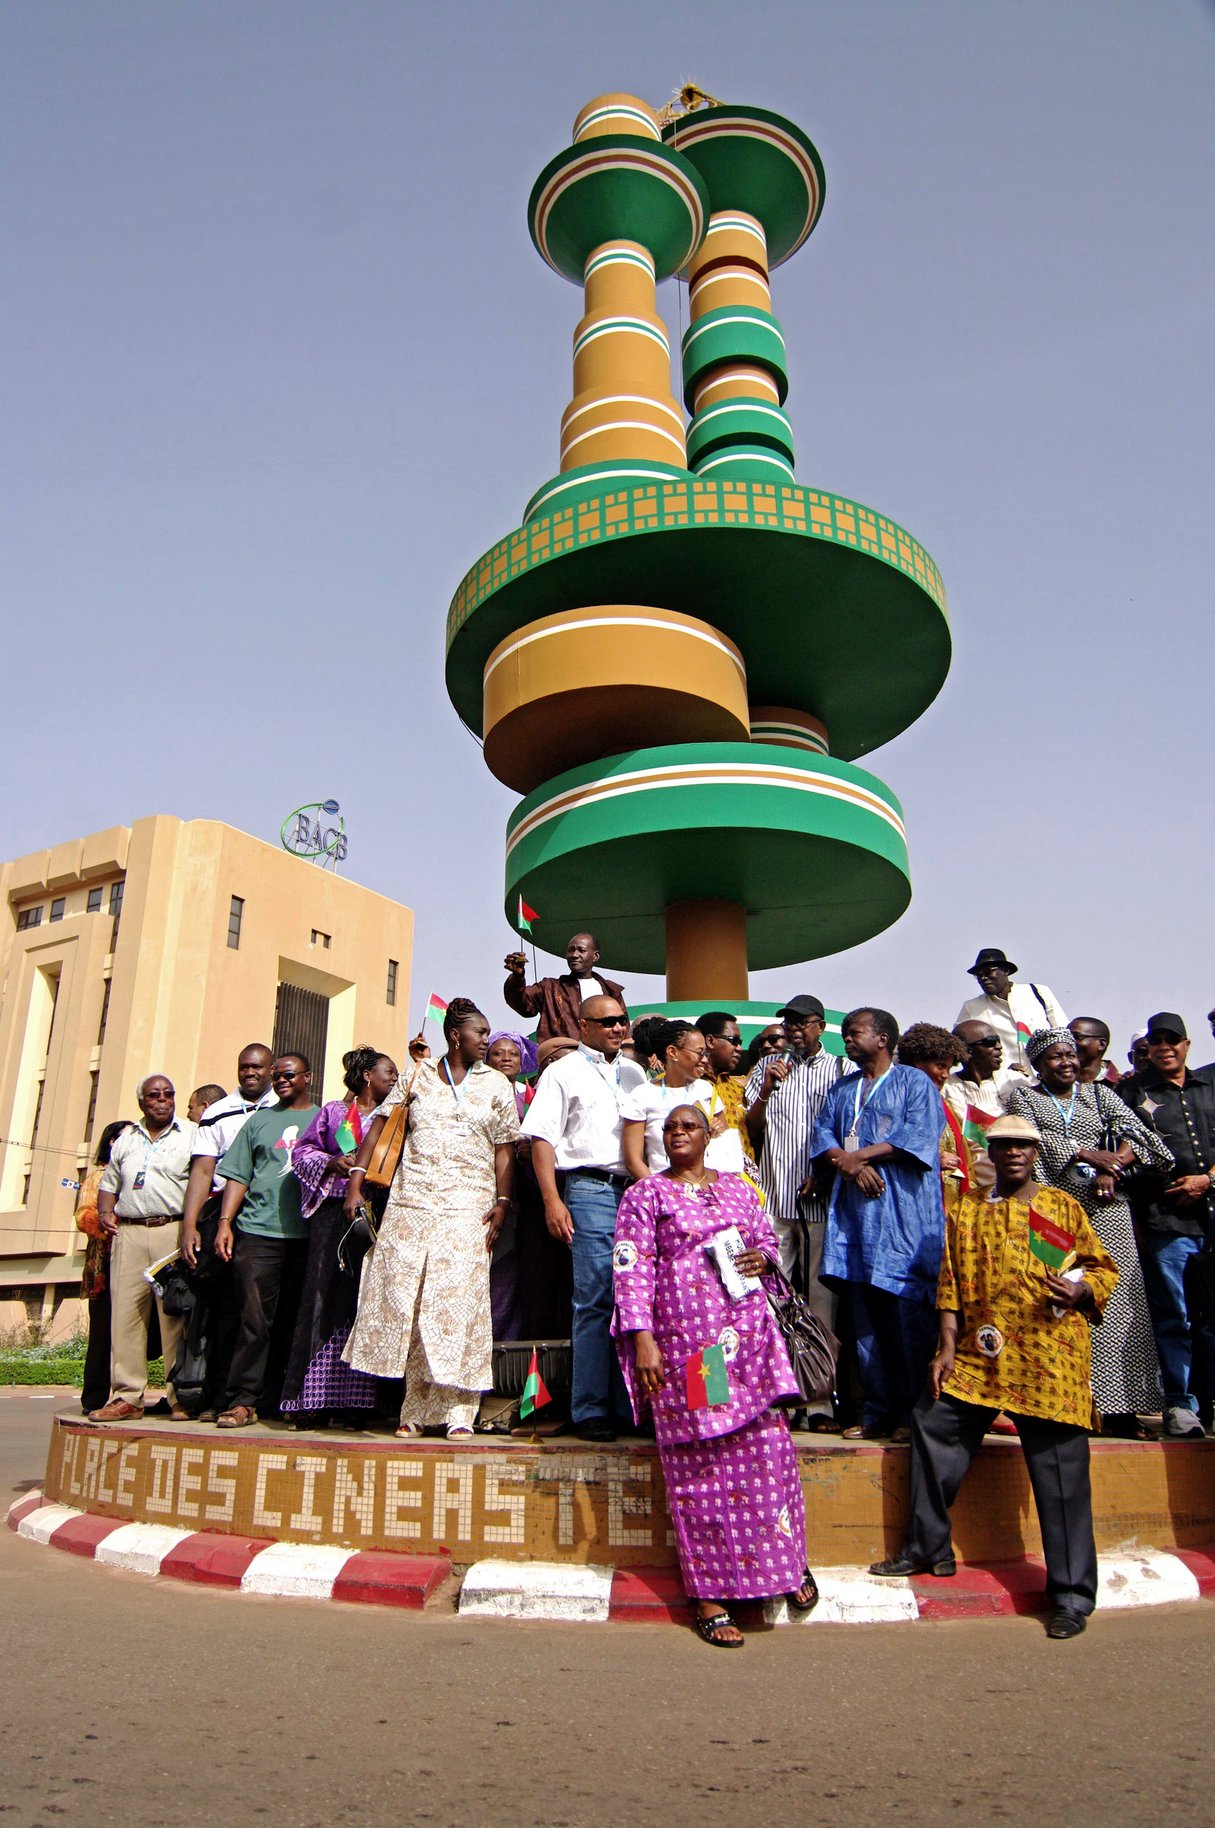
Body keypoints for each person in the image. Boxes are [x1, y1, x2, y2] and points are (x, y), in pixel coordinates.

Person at [870, 1115, 1118, 1638]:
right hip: (981, 1359)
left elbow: (1101, 1268)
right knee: (933, 1423)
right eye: (1003, 1146)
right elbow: (950, 1284)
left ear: (1035, 1153)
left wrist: (1081, 1291)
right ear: (992, 1151)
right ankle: (928, 1547)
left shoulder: (1061, 1207)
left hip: (1049, 1361)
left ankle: (1071, 1595)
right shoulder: (965, 1212)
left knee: (1060, 1475)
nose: (1012, 1154)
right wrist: (944, 1348)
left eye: (1022, 1147)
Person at [613, 1104, 818, 1645]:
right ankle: (709, 1593)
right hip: (698, 1352)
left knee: (770, 1453)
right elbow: (632, 1267)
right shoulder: (647, 1195)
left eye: (689, 1127)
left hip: (749, 1339)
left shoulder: (739, 1187)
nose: (678, 1133)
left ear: (708, 1135)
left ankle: (786, 1565)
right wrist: (643, 1339)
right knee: (707, 1464)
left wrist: (761, 1259)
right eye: (670, 1128)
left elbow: (767, 1245)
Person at [343, 999, 519, 1438]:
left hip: (468, 1208)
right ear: (456, 1035)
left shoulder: (497, 1085)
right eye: (481, 1033)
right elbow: (382, 1129)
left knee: (459, 1305)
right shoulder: (417, 1074)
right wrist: (355, 1181)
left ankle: (460, 1410)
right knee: (416, 1303)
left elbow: (504, 1148)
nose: (488, 1040)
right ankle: (415, 1408)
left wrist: (502, 1200)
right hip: (412, 1203)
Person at [1007, 1027, 1171, 1435]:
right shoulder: (1024, 1098)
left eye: (1070, 1055)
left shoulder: (1100, 1095)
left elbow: (1140, 1136)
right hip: (1052, 1212)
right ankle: (1073, 1404)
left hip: (1108, 1210)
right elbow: (1031, 1140)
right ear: (1038, 1065)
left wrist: (1110, 1165)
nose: (1066, 1062)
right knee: (1059, 1303)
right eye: (1055, 1057)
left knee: (1117, 1305)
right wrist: (1083, 1151)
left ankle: (1123, 1407)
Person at [812, 1008, 945, 1443]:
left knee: (906, 1319)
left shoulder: (914, 1082)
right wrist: (849, 1167)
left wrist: (860, 1157)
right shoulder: (842, 1088)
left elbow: (918, 1136)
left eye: (855, 1033)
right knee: (864, 1322)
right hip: (854, 1223)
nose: (847, 1039)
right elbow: (822, 1136)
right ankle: (876, 1412)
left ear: (883, 1038)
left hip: (902, 1219)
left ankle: (913, 1416)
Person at [521, 992, 646, 1439]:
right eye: (607, 1021)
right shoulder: (563, 1071)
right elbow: (541, 1141)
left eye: (622, 1020)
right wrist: (553, 1200)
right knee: (595, 1297)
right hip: (588, 1189)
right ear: (584, 1026)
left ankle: (627, 1406)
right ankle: (590, 1408)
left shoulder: (635, 1073)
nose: (617, 1028)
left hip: (634, 1191)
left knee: (632, 1299)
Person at [279, 1047, 398, 1427]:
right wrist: (332, 1162)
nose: (394, 1079)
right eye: (388, 1072)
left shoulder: (396, 1118)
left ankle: (359, 1403)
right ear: (367, 1077)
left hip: (380, 1213)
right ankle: (312, 1400)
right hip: (334, 1213)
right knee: (322, 1297)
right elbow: (302, 1154)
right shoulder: (334, 1113)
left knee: (367, 1303)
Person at [744, 994, 844, 1431]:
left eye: (802, 1023)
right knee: (771, 1297)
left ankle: (819, 1401)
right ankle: (778, 1394)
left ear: (820, 1025)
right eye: (788, 1023)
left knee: (821, 1300)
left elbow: (845, 1127)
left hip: (820, 1199)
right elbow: (751, 1124)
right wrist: (767, 1087)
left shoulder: (840, 1069)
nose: (794, 1030)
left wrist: (824, 1172)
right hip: (774, 1199)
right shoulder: (766, 1067)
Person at [1118, 1013, 1215, 1438]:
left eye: (1172, 1040)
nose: (1165, 1048)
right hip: (1166, 1220)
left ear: (1187, 1044)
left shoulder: (1210, 1086)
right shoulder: (1131, 1092)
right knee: (1175, 1315)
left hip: (1211, 1215)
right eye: (1156, 1042)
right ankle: (1180, 1404)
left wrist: (1207, 1180)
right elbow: (1124, 1150)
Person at [213, 1055, 320, 1428]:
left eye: (288, 1075)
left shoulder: (325, 1118)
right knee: (254, 1320)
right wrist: (225, 1222)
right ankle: (243, 1400)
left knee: (297, 1321)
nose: (280, 1080)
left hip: (308, 1236)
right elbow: (238, 1175)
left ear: (308, 1077)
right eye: (276, 1076)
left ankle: (286, 1398)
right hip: (258, 1233)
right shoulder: (258, 1121)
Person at [179, 1042, 277, 1419]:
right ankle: (218, 1397)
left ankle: (258, 1398)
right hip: (221, 1211)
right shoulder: (218, 1112)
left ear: (270, 1070)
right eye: (244, 1067)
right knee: (223, 1309)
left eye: (258, 1067)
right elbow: (202, 1171)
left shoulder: (282, 1108)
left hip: (266, 1213)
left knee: (261, 1310)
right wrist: (190, 1225)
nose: (250, 1073)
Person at [90, 1075, 193, 1421]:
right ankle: (127, 1397)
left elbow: (207, 1181)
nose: (163, 1100)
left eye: (169, 1093)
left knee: (174, 1316)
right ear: (142, 1102)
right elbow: (109, 1184)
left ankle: (179, 1396)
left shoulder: (191, 1134)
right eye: (154, 1095)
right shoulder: (125, 1140)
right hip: (129, 1233)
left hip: (172, 1230)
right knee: (126, 1316)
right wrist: (105, 1212)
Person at [74, 1120, 134, 1415]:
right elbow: (84, 1215)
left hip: (137, 1263)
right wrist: (115, 1222)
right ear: (112, 1142)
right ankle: (94, 1398)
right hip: (104, 1267)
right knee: (102, 1334)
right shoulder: (98, 1176)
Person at [484, 1030, 540, 1340]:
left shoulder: (529, 1096)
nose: (506, 1058)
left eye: (513, 1054)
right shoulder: (476, 1093)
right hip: (487, 1192)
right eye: (498, 1053)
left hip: (526, 1195)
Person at [621, 1020, 716, 1178]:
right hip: (663, 1195)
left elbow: (726, 1144)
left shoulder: (706, 1090)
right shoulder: (642, 1094)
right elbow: (634, 1161)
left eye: (706, 1054)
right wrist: (661, 1192)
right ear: (672, 1052)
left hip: (707, 1192)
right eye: (700, 1053)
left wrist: (716, 1130)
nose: (705, 1060)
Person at [954, 948, 1066, 1081]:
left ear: (1006, 971)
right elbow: (957, 1046)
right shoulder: (972, 1007)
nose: (983, 978)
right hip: (1005, 1085)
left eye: (989, 971)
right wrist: (1002, 1070)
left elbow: (1064, 1032)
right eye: (978, 975)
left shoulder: (1038, 992)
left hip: (1052, 1079)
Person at [897, 1023, 971, 1209]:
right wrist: (932, 1159)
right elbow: (881, 1149)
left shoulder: (944, 1104)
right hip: (910, 1204)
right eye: (940, 1066)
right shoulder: (895, 1100)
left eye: (949, 1068)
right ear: (917, 1062)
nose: (945, 1075)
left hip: (948, 1207)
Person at [503, 931, 627, 1042]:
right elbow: (523, 1005)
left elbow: (623, 1029)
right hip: (561, 1059)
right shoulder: (549, 988)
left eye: (581, 950)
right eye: (571, 950)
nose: (574, 955)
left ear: (595, 956)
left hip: (603, 1062)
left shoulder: (611, 991)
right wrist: (517, 977)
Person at [942, 1021, 1008, 1193]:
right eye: (990, 1042)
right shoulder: (945, 1088)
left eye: (998, 1040)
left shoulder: (1013, 1082)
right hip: (970, 1189)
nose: (999, 1047)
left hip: (1014, 1185)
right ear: (967, 1051)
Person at [696, 1010, 756, 1167]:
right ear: (710, 1041)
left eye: (740, 1042)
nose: (739, 1048)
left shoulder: (739, 1090)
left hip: (745, 1183)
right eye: (734, 1041)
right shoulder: (688, 1087)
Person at [1069, 1017, 1118, 1086]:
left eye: (1076, 1037)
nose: (1068, 1043)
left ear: (1101, 1044)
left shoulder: (1122, 1086)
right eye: (1067, 1037)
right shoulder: (1053, 1083)